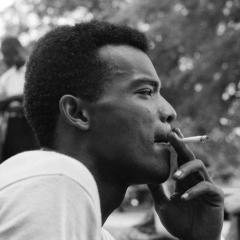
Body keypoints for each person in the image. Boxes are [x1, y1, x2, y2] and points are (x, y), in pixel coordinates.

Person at [0, 21, 224, 240]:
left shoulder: (99, 233)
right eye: (145, 91)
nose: (170, 111)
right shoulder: (54, 179)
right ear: (78, 113)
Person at [0, 37, 38, 161]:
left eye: (8, 54)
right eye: (4, 55)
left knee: (31, 161)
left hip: (31, 127)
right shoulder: (6, 78)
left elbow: (34, 99)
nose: (6, 59)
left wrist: (11, 99)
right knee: (12, 162)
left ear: (18, 50)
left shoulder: (34, 72)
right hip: (12, 126)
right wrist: (18, 98)